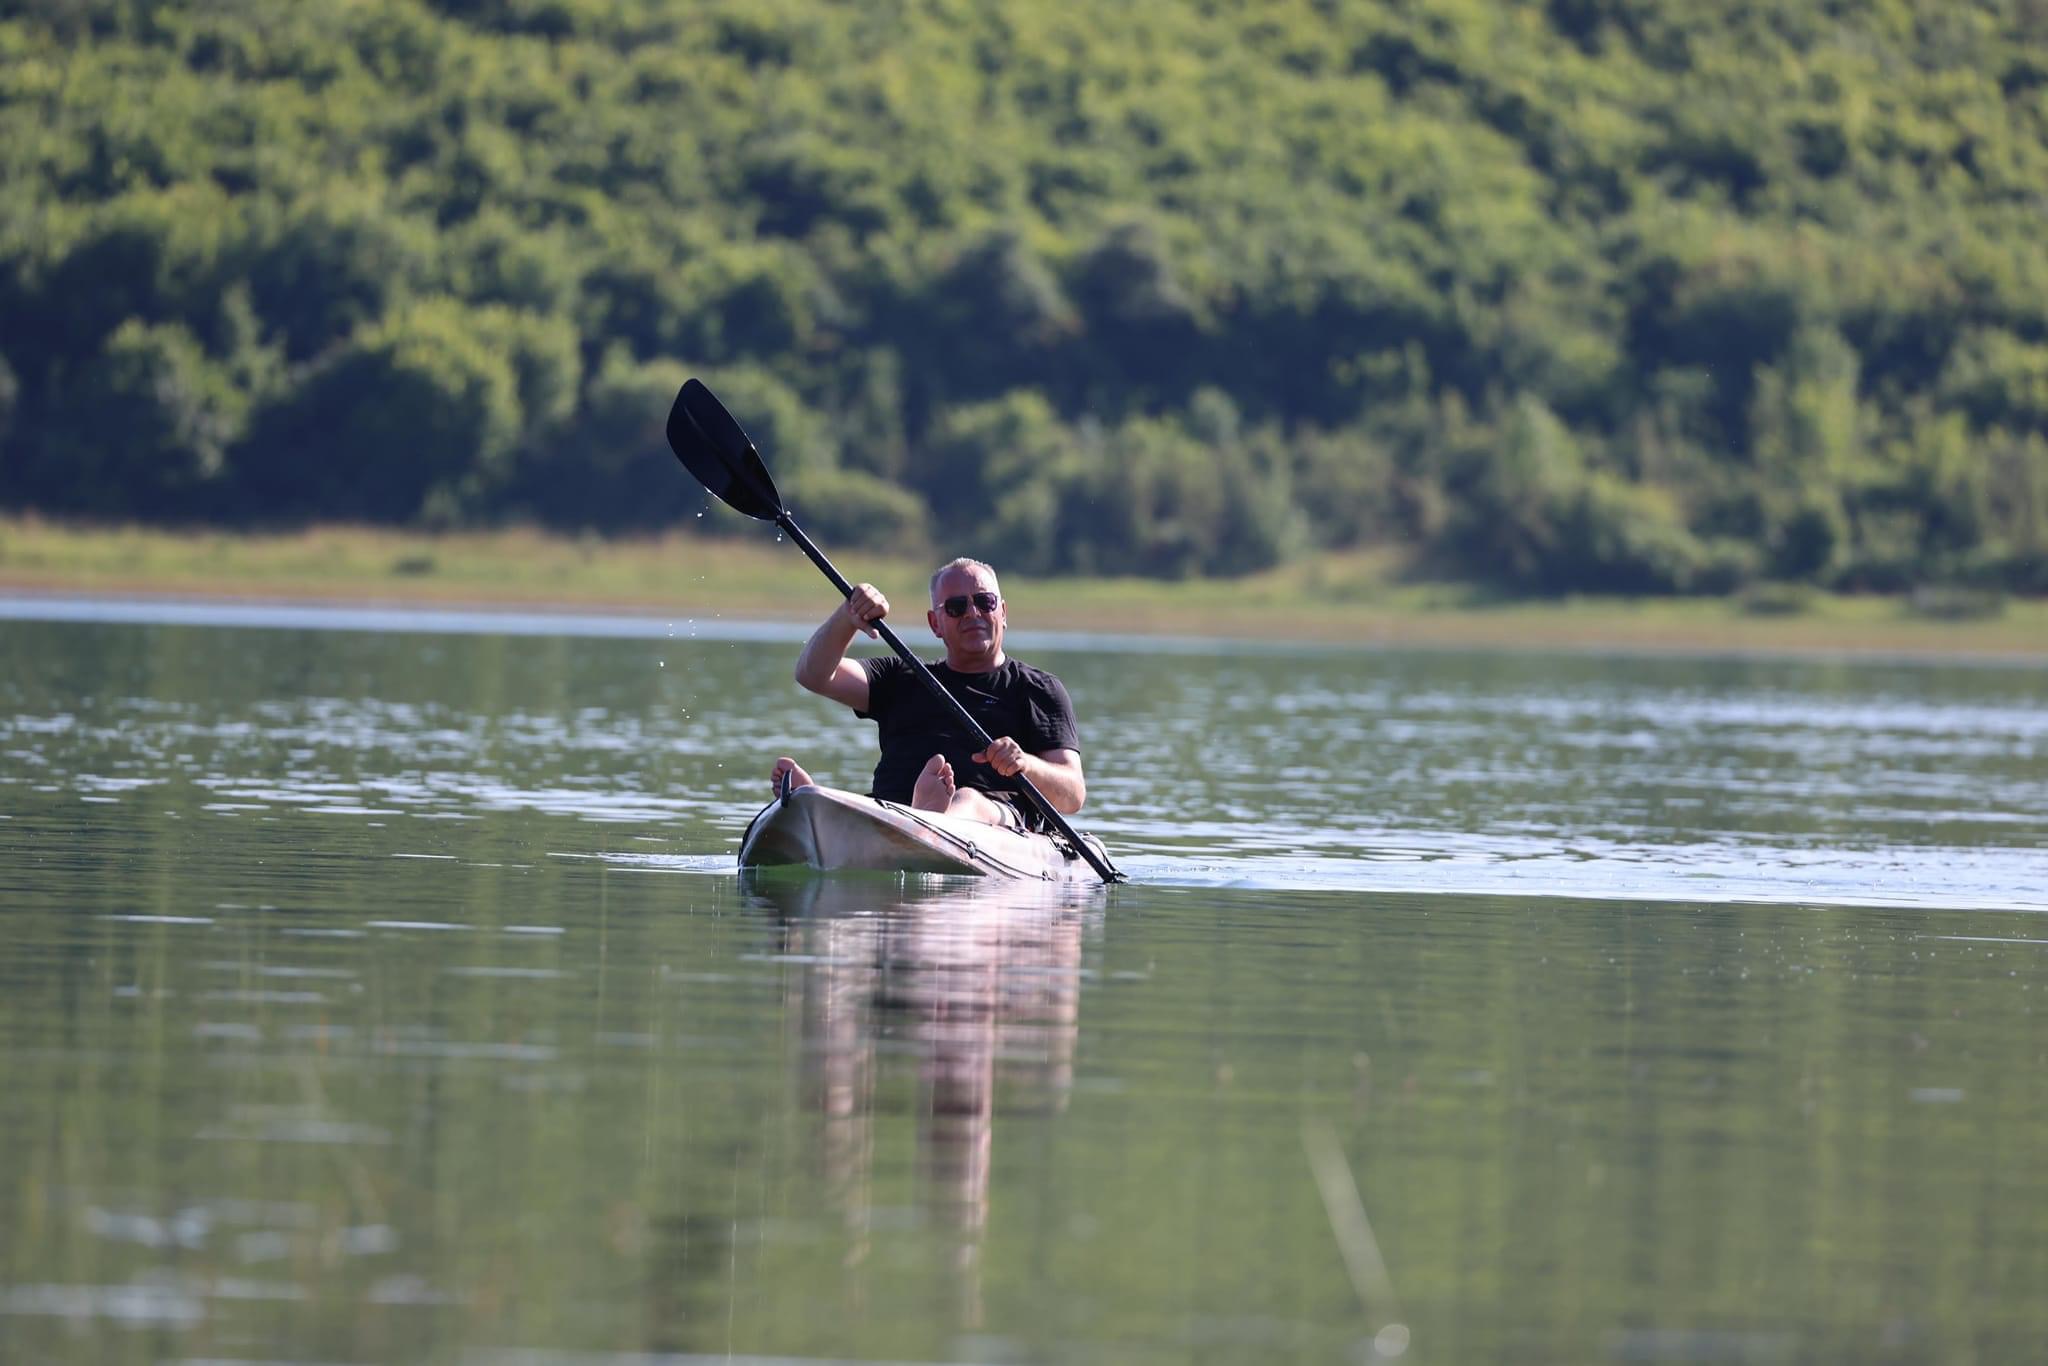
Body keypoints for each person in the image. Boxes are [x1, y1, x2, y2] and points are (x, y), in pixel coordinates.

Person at [768, 557, 1085, 831]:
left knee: (969, 799)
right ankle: (822, 807)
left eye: (984, 602)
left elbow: (1072, 794)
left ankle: (928, 819)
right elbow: (813, 675)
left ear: (1002, 612)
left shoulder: (1038, 689)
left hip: (995, 821)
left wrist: (1024, 764)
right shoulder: (901, 675)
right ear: (936, 624)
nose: (972, 613)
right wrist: (847, 617)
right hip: (889, 814)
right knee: (869, 806)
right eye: (957, 607)